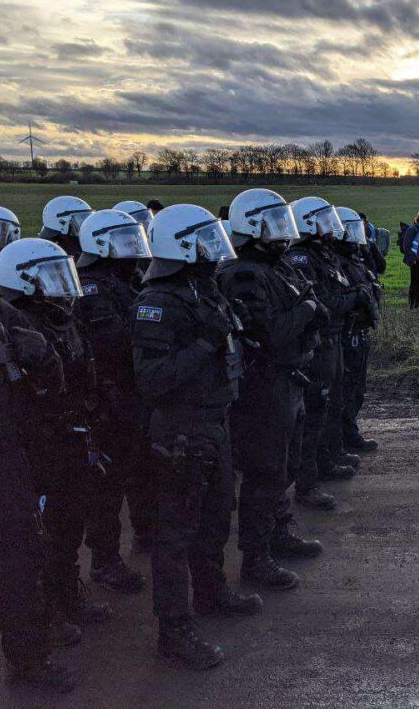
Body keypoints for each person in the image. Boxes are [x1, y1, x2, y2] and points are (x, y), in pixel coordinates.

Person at [132, 204, 262, 669]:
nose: (214, 251)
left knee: (215, 518)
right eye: (204, 242)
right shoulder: (159, 302)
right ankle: (175, 630)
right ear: (181, 246)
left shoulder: (199, 289)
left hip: (213, 421)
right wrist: (205, 343)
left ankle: (211, 594)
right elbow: (151, 379)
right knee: (177, 534)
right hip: (182, 428)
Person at [0, 218, 76, 692]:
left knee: (20, 567)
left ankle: (28, 660)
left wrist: (43, 358)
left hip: (3, 460)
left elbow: (52, 376)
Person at [0, 238, 114, 637]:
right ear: (24, 281)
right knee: (41, 534)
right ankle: (46, 613)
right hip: (37, 446)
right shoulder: (12, 326)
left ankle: (67, 596)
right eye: (52, 277)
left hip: (70, 435)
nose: (62, 286)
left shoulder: (62, 319)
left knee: (69, 524)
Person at [218, 188, 324, 593]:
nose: (282, 232)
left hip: (289, 379)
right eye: (272, 224)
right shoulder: (244, 273)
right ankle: (256, 557)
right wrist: (309, 310)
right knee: (265, 471)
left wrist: (308, 313)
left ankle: (279, 532)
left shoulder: (277, 266)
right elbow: (272, 332)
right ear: (250, 227)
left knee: (286, 466)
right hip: (264, 384)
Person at [74, 209, 154, 592]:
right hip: (106, 400)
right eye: (124, 243)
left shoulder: (125, 279)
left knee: (137, 470)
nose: (133, 251)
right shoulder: (91, 288)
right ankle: (104, 561)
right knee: (106, 487)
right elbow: (118, 343)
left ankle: (145, 531)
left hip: (130, 394)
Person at [286, 197, 357, 510]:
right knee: (313, 413)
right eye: (324, 222)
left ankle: (326, 462)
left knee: (330, 404)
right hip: (320, 342)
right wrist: (352, 300)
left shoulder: (322, 254)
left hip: (332, 339)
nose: (331, 229)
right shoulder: (302, 258)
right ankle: (307, 483)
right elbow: (326, 302)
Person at [334, 206, 382, 454]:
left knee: (356, 388)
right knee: (345, 388)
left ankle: (348, 432)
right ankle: (342, 437)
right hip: (345, 334)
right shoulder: (336, 260)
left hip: (359, 332)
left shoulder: (354, 257)